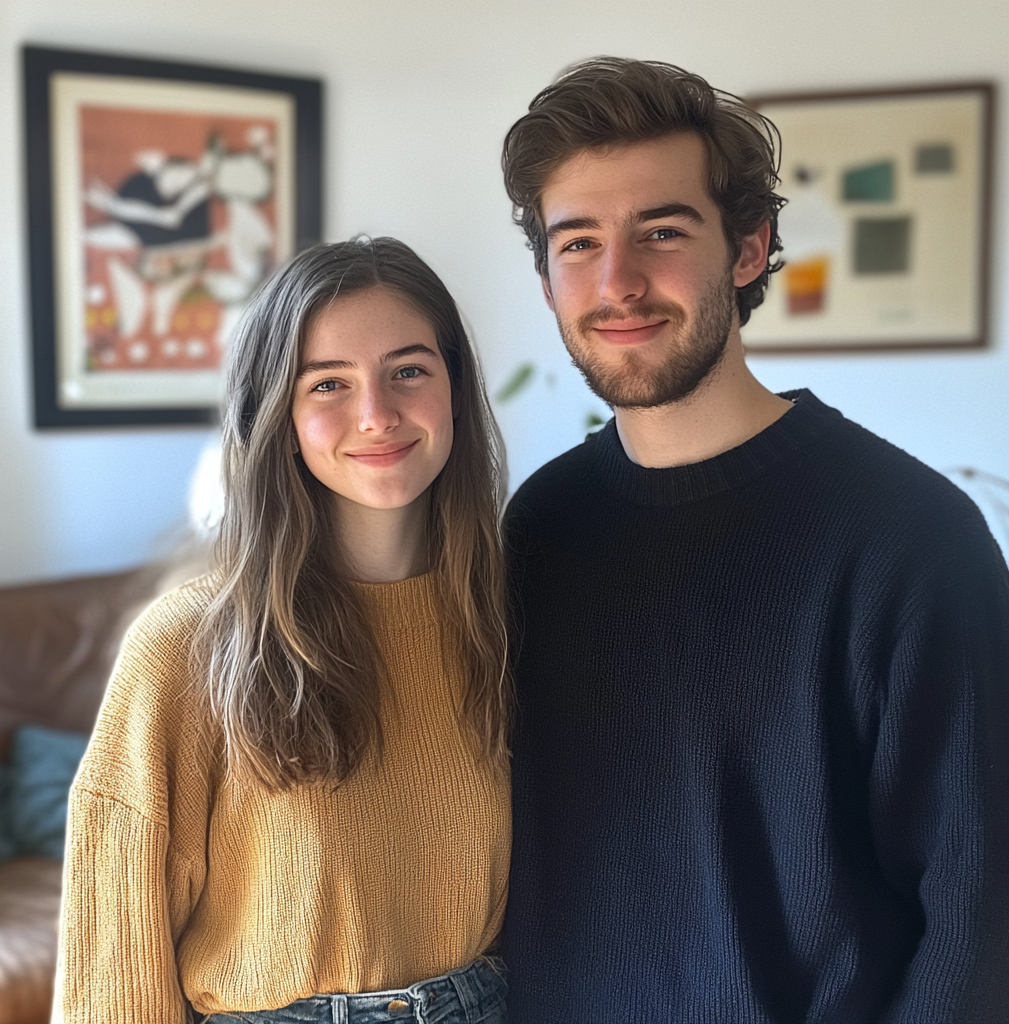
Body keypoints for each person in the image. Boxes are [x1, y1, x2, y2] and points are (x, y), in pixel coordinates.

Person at [499, 57, 1009, 1023]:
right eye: (578, 242)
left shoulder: (913, 540)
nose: (618, 282)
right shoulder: (540, 526)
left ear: (746, 248)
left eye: (661, 230)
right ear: (546, 276)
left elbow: (979, 916)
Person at [54, 237, 511, 1024]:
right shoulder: (184, 645)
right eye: (328, 383)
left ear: (456, 392)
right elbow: (111, 969)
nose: (376, 414)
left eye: (408, 370)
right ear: (279, 416)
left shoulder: (506, 614)